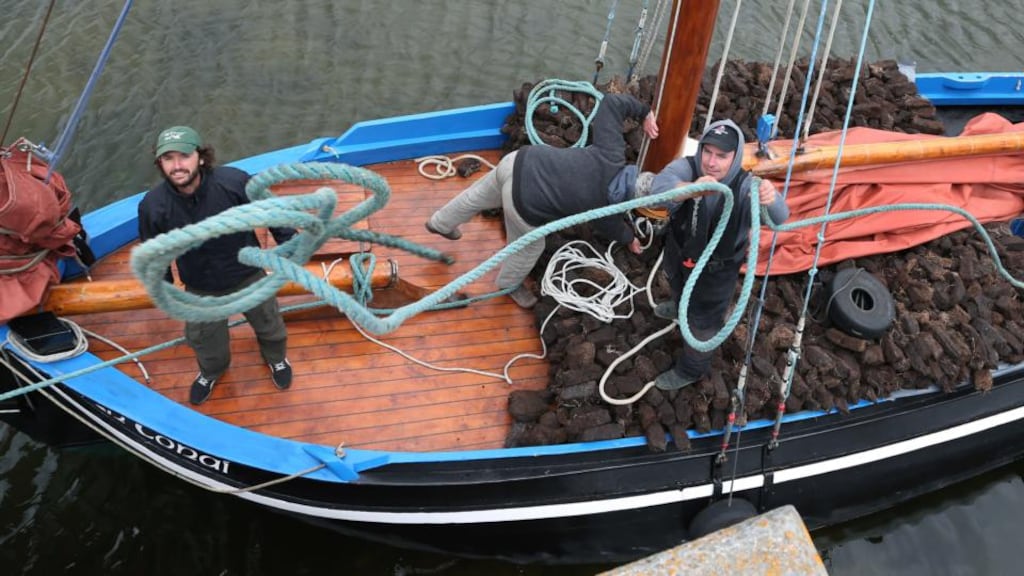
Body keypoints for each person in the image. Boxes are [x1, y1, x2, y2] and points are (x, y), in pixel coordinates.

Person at [424, 93, 659, 308]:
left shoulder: (613, 153)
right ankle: (508, 285)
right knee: (531, 247)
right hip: (524, 202)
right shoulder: (606, 208)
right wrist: (630, 238)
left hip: (520, 161)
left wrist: (644, 112)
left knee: (477, 196)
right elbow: (614, 227)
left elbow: (611, 103)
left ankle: (440, 222)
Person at [137, 126, 295, 405]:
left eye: (184, 156)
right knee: (206, 341)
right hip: (200, 287)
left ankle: (277, 359)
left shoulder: (235, 183)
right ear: (160, 164)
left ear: (200, 157)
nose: (176, 166)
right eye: (167, 158)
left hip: (248, 275)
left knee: (270, 325)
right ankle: (212, 371)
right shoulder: (153, 206)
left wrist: (287, 242)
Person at [648, 120, 790, 391]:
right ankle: (680, 307)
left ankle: (691, 370)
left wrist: (772, 198)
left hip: (715, 273)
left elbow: (780, 219)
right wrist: (690, 189)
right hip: (679, 252)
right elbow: (657, 191)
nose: (711, 162)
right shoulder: (686, 168)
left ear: (735, 157)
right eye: (708, 152)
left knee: (703, 324)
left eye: (722, 156)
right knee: (676, 285)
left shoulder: (748, 187)